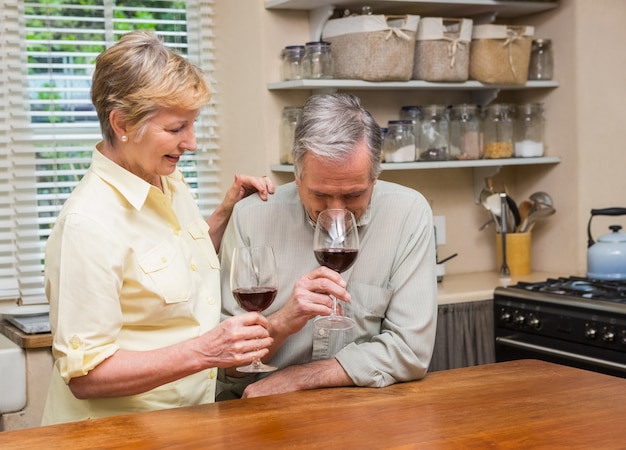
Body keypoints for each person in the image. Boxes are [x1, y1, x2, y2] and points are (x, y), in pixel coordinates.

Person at [41, 30, 275, 425]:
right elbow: (86, 376)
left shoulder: (165, 179)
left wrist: (223, 214)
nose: (192, 143)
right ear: (122, 124)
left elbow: (170, 262)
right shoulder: (87, 224)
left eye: (193, 124)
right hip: (115, 434)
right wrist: (205, 351)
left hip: (185, 423)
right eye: (176, 128)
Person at [218, 93, 437, 399]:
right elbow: (226, 368)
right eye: (320, 195)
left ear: (375, 178)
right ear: (297, 177)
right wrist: (282, 323)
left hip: (364, 411)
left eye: (353, 195)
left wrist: (302, 378)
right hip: (263, 408)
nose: (335, 212)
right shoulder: (250, 218)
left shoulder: (408, 214)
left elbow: (410, 350)